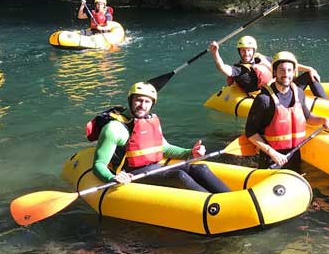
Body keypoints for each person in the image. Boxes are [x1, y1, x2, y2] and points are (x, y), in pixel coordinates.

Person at [92, 82, 230, 193]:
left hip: (154, 168)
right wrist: (112, 177)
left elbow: (165, 148)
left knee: (201, 168)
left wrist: (190, 153)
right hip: (132, 174)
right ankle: (216, 205)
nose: (142, 106)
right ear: (130, 100)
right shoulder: (114, 129)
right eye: (138, 100)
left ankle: (228, 198)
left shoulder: (149, 122)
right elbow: (98, 164)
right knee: (179, 176)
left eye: (147, 102)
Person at [244, 51, 329, 170]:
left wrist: (323, 120)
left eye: (289, 70)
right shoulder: (264, 100)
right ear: (274, 72)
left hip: (294, 156)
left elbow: (307, 117)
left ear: (294, 72)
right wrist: (272, 152)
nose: (286, 74)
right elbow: (250, 132)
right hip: (271, 160)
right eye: (281, 70)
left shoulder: (298, 93)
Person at [208, 35, 328, 98]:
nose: (246, 53)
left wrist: (309, 68)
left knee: (309, 76)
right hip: (267, 95)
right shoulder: (238, 69)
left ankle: (325, 102)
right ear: (239, 52)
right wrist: (215, 53)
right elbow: (223, 68)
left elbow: (283, 62)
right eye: (243, 50)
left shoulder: (261, 58)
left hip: (281, 88)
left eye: (249, 50)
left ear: (253, 50)